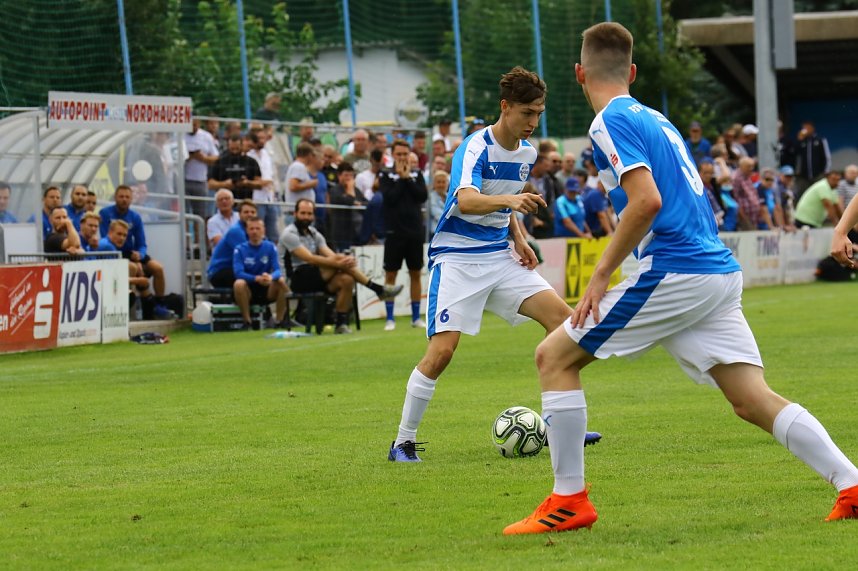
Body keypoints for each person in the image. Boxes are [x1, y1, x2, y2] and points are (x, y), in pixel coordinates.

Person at [504, 22, 858, 536]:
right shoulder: (658, 119)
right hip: (713, 270)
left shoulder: (609, 121)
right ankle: (852, 485)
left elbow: (647, 201)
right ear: (632, 71)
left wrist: (601, 275)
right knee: (751, 398)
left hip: (676, 269)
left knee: (553, 356)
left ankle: (568, 501)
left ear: (578, 73)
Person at [387, 66, 602, 464]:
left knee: (568, 324)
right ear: (505, 107)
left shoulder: (528, 152)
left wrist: (518, 239)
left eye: (538, 113)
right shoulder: (474, 148)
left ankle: (564, 423)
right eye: (526, 113)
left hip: (499, 257)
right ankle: (403, 441)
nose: (533, 122)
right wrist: (511, 204)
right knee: (442, 353)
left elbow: (508, 199)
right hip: (457, 259)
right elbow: (467, 200)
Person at [277, 199, 402, 334]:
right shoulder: (289, 234)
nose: (306, 217)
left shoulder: (314, 233)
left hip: (316, 276)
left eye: (309, 213)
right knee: (337, 263)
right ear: (295, 213)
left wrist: (343, 260)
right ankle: (377, 289)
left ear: (313, 215)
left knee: (346, 280)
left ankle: (341, 324)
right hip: (296, 278)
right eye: (303, 213)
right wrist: (339, 262)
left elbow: (330, 254)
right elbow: (310, 258)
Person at [379, 139, 428, 331]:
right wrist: (400, 178)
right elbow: (389, 198)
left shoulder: (417, 174)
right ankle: (390, 318)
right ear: (392, 155)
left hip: (414, 231)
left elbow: (421, 196)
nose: (402, 157)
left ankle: (416, 317)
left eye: (405, 154)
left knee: (415, 272)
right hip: (394, 232)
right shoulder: (385, 175)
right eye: (398, 154)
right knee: (391, 273)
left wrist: (407, 178)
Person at [99, 185, 167, 300]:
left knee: (158, 268)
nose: (124, 199)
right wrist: (134, 262)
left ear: (131, 199)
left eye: (127, 197)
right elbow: (107, 238)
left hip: (130, 253)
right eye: (121, 196)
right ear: (115, 198)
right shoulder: (105, 213)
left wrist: (139, 255)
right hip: (114, 252)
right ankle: (125, 302)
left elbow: (141, 244)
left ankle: (159, 303)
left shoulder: (135, 217)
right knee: (133, 268)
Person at [232, 217, 290, 330]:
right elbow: (238, 273)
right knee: (238, 283)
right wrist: (256, 278)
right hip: (248, 289)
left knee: (281, 281)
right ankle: (247, 322)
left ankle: (279, 321)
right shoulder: (239, 249)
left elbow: (278, 270)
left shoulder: (270, 247)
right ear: (247, 231)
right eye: (251, 229)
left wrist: (270, 277)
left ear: (263, 230)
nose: (254, 231)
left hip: (266, 288)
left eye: (257, 228)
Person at [207, 199, 258, 288]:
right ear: (239, 214)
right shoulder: (236, 231)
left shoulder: (255, 230)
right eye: (246, 212)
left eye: (253, 212)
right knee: (253, 280)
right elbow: (248, 256)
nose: (250, 214)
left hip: (235, 268)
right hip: (220, 271)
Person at [208, 134, 263, 202]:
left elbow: (260, 184)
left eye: (237, 148)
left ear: (242, 145)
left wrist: (247, 183)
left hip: (245, 201)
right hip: (224, 201)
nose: (234, 151)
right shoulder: (220, 162)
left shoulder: (251, 162)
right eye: (232, 149)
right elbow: (210, 184)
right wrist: (225, 184)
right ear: (228, 146)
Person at [184, 118, 220, 218]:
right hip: (182, 181)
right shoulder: (180, 135)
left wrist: (203, 158)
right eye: (191, 125)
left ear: (199, 123)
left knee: (201, 215)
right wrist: (189, 157)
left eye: (195, 125)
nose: (193, 128)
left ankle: (199, 233)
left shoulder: (206, 136)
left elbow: (216, 158)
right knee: (184, 214)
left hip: (200, 180)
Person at [327, 162, 366, 251]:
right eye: (346, 175)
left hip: (355, 232)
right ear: (339, 176)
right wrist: (351, 190)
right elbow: (348, 201)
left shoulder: (357, 191)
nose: (348, 178)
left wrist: (359, 203)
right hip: (341, 233)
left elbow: (365, 202)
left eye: (351, 176)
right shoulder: (334, 190)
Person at [795, 121, 831, 196]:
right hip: (804, 176)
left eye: (807, 127)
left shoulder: (820, 140)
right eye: (804, 128)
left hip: (818, 175)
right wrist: (799, 140)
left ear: (812, 128)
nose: (805, 129)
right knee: (803, 195)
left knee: (820, 194)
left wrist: (826, 171)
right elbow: (796, 154)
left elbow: (827, 156)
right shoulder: (802, 142)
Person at [427, 170, 450, 235]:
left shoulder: (450, 197)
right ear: (434, 184)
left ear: (447, 183)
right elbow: (439, 216)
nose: (441, 185)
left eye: (443, 182)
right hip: (435, 233)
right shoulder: (430, 198)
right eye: (438, 182)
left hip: (449, 233)